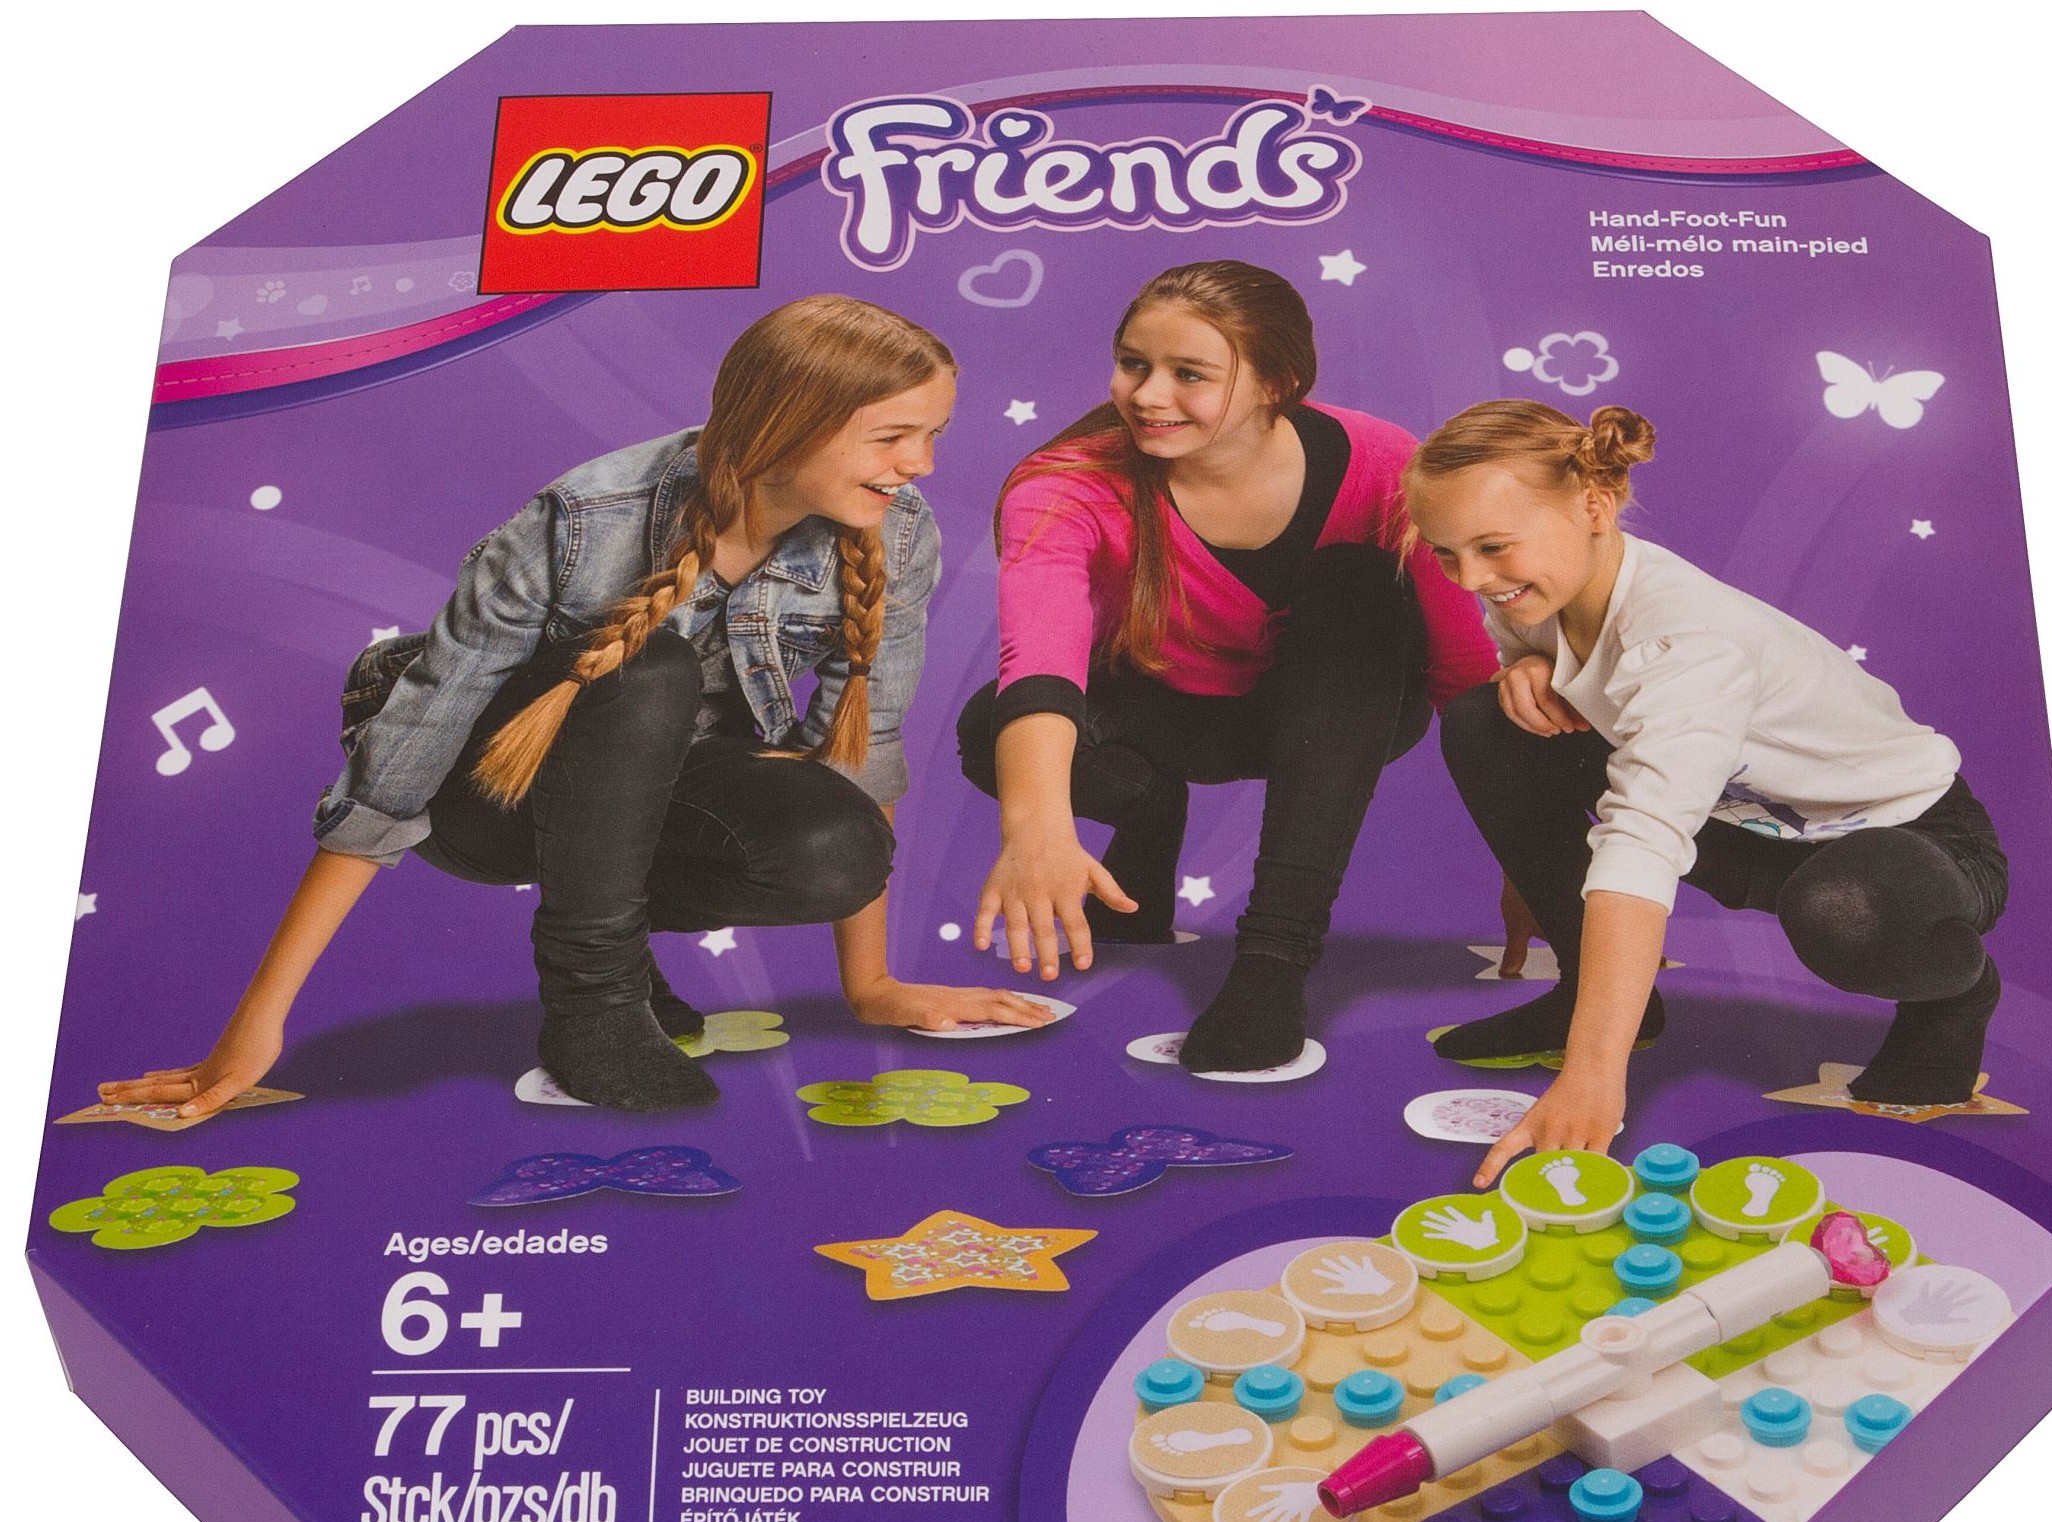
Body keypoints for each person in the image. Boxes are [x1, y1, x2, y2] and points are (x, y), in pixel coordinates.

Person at [101, 294, 1049, 1118]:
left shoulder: (894, 533)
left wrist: (872, 986)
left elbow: (859, 749)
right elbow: (397, 771)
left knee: (840, 847)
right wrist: (257, 1021)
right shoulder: (583, 521)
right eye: (893, 436)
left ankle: (618, 953)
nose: (921, 464)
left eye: (933, 434)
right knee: (647, 667)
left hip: (646, 793)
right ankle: (591, 1004)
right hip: (485, 794)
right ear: (787, 424)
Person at [1404, 400, 2008, 1185]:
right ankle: (1592, 993)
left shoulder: (1682, 639)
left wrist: (1592, 1077)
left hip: (1911, 844)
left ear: (1594, 506)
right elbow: (1585, 735)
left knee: (1840, 908)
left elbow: (1642, 840)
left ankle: (1958, 992)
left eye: (1491, 547)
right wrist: (1524, 671)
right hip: (1745, 827)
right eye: (1445, 554)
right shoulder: (1535, 591)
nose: (1470, 579)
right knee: (1486, 719)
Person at [957, 260, 1495, 1072]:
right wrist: (1035, 829)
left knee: (1356, 583)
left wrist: (1528, 858)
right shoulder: (1065, 483)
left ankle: (1272, 962)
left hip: (1339, 717)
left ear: (1277, 383)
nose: (1146, 395)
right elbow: (1040, 657)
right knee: (987, 729)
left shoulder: (1386, 462)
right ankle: (1149, 820)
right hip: (1163, 712)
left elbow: (1462, 670)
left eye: (1189, 374)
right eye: (1133, 364)